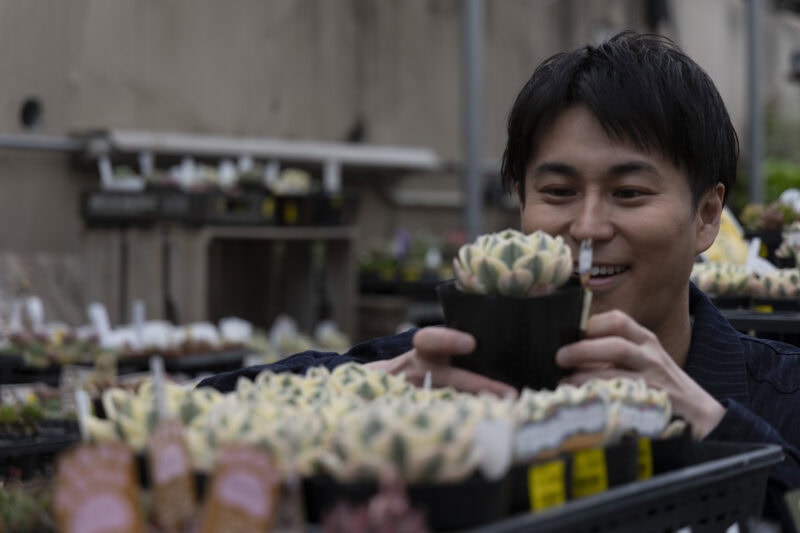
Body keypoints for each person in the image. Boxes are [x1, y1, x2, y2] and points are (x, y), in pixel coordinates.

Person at [199, 31, 800, 524]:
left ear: (706, 216)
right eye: (558, 192)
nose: (586, 227)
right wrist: (374, 384)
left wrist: (706, 419)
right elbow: (202, 413)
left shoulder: (781, 392)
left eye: (629, 193)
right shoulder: (450, 371)